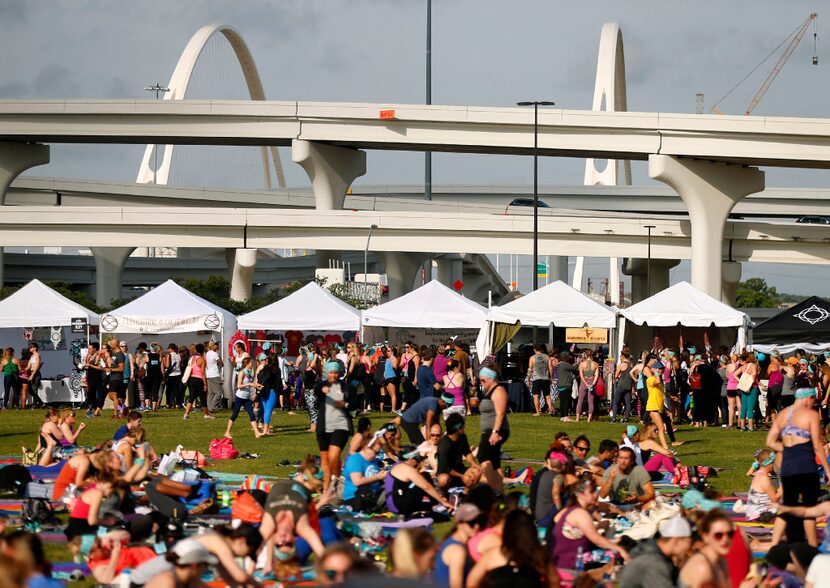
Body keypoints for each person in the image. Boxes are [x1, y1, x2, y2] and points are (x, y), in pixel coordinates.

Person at [767, 375, 830, 547]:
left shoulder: (782, 415)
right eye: (813, 401)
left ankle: (789, 543)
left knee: (789, 505)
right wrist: (828, 469)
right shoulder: (810, 415)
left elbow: (770, 441)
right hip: (806, 466)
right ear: (808, 398)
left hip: (787, 467)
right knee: (809, 508)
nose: (813, 404)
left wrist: (787, 449)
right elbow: (817, 445)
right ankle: (810, 545)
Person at [467, 510, 558, 588]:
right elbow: (554, 583)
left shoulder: (493, 555)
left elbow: (471, 584)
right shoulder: (539, 555)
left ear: (506, 531)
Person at [314, 361, 356, 492]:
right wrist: (323, 389)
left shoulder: (346, 386)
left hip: (341, 425)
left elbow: (355, 403)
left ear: (340, 373)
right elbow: (317, 390)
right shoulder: (322, 385)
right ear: (327, 373)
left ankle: (338, 482)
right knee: (325, 462)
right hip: (323, 427)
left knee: (334, 456)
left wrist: (345, 404)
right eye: (330, 372)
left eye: (335, 372)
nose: (333, 375)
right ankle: (327, 491)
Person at [617, 516, 693, 588]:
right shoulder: (654, 562)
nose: (690, 548)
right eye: (690, 543)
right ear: (677, 540)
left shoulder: (651, 551)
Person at [389, 446, 454, 516]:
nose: (418, 462)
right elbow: (426, 486)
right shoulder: (407, 469)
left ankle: (437, 502)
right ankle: (437, 503)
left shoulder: (397, 466)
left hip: (394, 504)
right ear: (411, 459)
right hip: (402, 506)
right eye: (417, 459)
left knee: (422, 482)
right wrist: (441, 501)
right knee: (424, 476)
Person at [678, 510, 735, 588]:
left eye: (730, 534)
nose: (725, 539)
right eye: (718, 535)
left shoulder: (720, 560)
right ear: (705, 537)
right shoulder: (703, 568)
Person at [477, 365, 510, 491]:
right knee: (495, 462)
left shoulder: (498, 391)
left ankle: (494, 489)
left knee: (483, 456)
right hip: (489, 431)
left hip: (496, 431)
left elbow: (500, 413)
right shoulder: (489, 391)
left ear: (491, 378)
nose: (482, 383)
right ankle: (499, 490)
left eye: (483, 380)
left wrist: (495, 432)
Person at [434, 503, 482, 588]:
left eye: (480, 521)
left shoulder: (455, 542)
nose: (477, 526)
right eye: (472, 522)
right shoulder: (457, 551)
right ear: (460, 523)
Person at [64, 469, 117, 539]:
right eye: (110, 487)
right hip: (80, 530)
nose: (112, 490)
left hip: (75, 526)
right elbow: (92, 521)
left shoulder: (92, 489)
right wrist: (107, 522)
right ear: (100, 483)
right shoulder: (97, 493)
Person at [142, 540, 215, 588]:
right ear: (194, 565)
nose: (205, 569)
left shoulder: (185, 578)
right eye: (207, 565)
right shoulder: (167, 582)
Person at [436, 413, 478, 490]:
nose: (464, 427)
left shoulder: (462, 437)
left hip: (460, 470)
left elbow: (467, 452)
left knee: (477, 471)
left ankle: (466, 494)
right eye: (463, 426)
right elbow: (444, 467)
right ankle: (442, 495)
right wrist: (462, 476)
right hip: (447, 473)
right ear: (458, 429)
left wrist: (474, 464)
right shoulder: (444, 444)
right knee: (444, 480)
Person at [342, 440, 387, 512]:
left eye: (378, 453)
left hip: (373, 496)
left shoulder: (373, 460)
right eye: (376, 452)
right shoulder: (355, 459)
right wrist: (378, 477)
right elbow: (357, 481)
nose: (376, 455)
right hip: (356, 498)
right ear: (367, 447)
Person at [224, 356, 262, 439]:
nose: (252, 364)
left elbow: (251, 383)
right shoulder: (242, 373)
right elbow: (238, 385)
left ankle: (256, 432)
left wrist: (256, 385)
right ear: (247, 364)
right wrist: (249, 384)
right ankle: (227, 432)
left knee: (252, 414)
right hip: (240, 397)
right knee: (235, 414)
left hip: (246, 398)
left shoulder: (249, 372)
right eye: (251, 363)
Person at [745, 449, 778, 523]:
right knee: (789, 508)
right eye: (774, 462)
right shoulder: (765, 479)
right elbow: (775, 499)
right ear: (769, 463)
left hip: (752, 514)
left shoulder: (758, 474)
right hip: (760, 516)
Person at [182, 344, 209, 420]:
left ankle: (186, 414)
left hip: (191, 379)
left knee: (191, 397)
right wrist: (205, 384)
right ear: (203, 350)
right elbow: (203, 372)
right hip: (199, 379)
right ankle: (206, 414)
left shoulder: (192, 358)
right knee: (203, 397)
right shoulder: (202, 359)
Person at [734, 353, 760, 432]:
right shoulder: (753, 366)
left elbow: (734, 375)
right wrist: (751, 382)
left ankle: (742, 427)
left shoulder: (743, 366)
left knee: (744, 408)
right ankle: (751, 427)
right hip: (752, 388)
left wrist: (741, 381)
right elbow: (754, 375)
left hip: (743, 388)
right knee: (750, 408)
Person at [575, 350, 600, 422]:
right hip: (592, 381)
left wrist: (585, 383)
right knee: (591, 402)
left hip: (584, 382)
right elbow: (597, 376)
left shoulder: (582, 364)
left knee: (580, 401)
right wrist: (593, 384)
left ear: (585, 355)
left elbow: (581, 375)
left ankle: (577, 418)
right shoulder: (596, 364)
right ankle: (589, 419)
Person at [529, 344, 553, 417]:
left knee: (536, 396)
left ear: (534, 350)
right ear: (541, 349)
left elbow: (530, 369)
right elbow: (550, 368)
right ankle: (550, 410)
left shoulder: (532, 358)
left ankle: (537, 412)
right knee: (547, 395)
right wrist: (551, 377)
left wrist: (528, 378)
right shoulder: (546, 357)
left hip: (536, 378)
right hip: (545, 378)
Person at [611, 350, 634, 423]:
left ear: (623, 356)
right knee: (627, 403)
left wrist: (618, 376)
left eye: (621, 356)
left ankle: (614, 418)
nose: (620, 357)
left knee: (615, 402)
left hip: (621, 385)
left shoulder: (621, 365)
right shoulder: (631, 364)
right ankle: (626, 418)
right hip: (628, 385)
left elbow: (616, 375)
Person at [105, 338, 126, 419]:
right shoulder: (114, 354)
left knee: (114, 395)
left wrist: (110, 369)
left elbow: (121, 368)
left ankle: (115, 414)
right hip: (112, 377)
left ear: (116, 344)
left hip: (117, 378)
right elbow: (113, 365)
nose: (110, 345)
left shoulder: (120, 354)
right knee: (111, 396)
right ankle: (124, 409)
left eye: (111, 344)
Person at [556, 353, 578, 420]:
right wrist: (576, 363)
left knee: (562, 401)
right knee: (566, 401)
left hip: (560, 385)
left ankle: (562, 415)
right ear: (565, 358)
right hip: (566, 385)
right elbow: (574, 368)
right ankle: (566, 416)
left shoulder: (559, 364)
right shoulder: (565, 364)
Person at [84, 343, 104, 418]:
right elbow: (88, 366)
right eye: (88, 349)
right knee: (90, 394)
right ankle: (94, 409)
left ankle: (93, 409)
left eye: (90, 348)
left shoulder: (99, 356)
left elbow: (101, 367)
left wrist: (91, 365)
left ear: (95, 349)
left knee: (93, 394)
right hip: (90, 377)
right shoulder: (89, 356)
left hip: (97, 377)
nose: (88, 350)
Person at [205, 340, 224, 413]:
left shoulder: (207, 353)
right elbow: (220, 362)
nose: (217, 346)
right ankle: (213, 406)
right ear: (212, 346)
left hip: (209, 374)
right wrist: (221, 363)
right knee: (219, 392)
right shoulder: (215, 353)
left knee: (211, 393)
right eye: (216, 344)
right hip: (214, 374)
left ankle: (209, 407)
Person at [144, 343, 164, 412]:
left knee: (147, 390)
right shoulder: (159, 356)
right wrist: (163, 377)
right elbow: (162, 368)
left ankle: (147, 406)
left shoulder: (147, 355)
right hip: (157, 376)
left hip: (149, 375)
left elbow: (145, 363)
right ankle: (154, 407)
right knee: (155, 391)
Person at [383, 346, 400, 414]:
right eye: (387, 351)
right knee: (390, 394)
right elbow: (385, 369)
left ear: (392, 352)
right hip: (387, 377)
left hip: (392, 377)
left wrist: (394, 366)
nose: (387, 352)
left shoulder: (394, 358)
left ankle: (393, 409)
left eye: (388, 351)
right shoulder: (387, 359)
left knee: (393, 394)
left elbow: (396, 367)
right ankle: (394, 407)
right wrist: (384, 374)